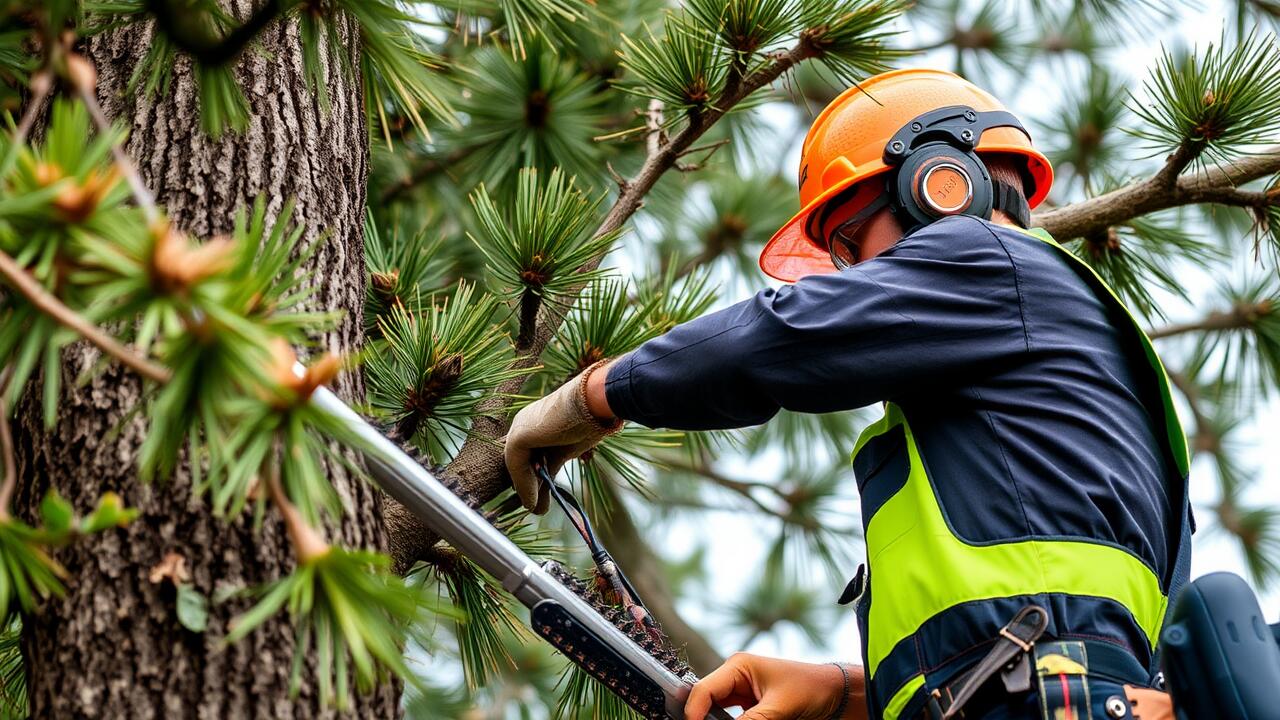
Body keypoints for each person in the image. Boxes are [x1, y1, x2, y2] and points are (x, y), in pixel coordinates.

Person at [503, 69, 1191, 720]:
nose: (853, 275)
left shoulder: (990, 259)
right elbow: (1066, 640)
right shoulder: (1065, 382)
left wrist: (593, 396)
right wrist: (844, 692)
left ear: (941, 185)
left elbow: (769, 341)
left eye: (854, 241)